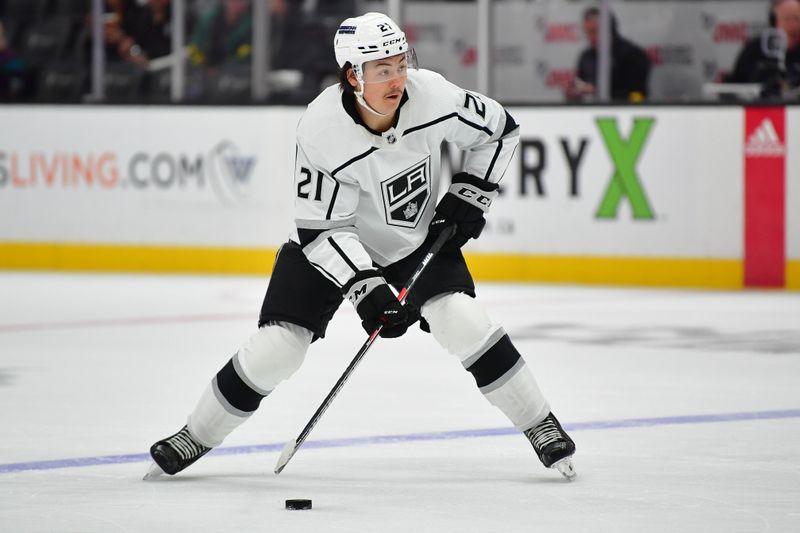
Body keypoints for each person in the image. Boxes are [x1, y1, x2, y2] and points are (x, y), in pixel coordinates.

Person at [146, 12, 577, 481]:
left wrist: (471, 191)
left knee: (463, 320)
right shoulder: (321, 129)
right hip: (328, 242)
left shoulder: (433, 95)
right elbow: (324, 232)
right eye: (383, 70)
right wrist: (366, 289)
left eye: (400, 64)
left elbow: (500, 129)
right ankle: (195, 434)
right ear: (353, 75)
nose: (398, 79)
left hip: (410, 240)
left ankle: (541, 424)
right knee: (279, 348)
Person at [564, 7, 651, 102]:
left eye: (594, 31)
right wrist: (574, 93)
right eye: (587, 32)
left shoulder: (634, 55)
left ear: (610, 30)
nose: (590, 37)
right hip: (592, 113)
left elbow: (638, 95)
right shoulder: (586, 56)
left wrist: (598, 90)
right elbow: (580, 85)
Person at [725, 0, 800, 95]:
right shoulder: (755, 49)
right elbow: (734, 87)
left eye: (797, 19)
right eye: (787, 19)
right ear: (774, 22)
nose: (793, 26)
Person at [188, 0, 252, 68]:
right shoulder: (208, 21)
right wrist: (203, 67)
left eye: (243, 1)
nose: (241, 4)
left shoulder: (250, 24)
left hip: (237, 72)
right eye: (236, 1)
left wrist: (225, 66)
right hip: (205, 71)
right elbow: (196, 47)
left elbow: (246, 53)